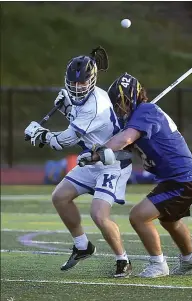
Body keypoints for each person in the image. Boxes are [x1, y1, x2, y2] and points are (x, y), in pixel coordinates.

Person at [77, 73, 192, 278]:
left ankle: (158, 264)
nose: (120, 107)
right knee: (170, 221)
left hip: (180, 179)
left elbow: (125, 139)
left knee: (138, 217)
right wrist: (97, 155)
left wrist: (96, 153)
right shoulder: (140, 116)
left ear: (133, 97)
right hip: (180, 178)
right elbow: (122, 150)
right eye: (117, 104)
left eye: (123, 102)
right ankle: (190, 257)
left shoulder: (146, 111)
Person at [24, 53, 132, 278]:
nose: (77, 87)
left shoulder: (96, 105)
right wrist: (66, 110)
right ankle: (82, 246)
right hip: (90, 158)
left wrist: (40, 135)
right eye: (73, 82)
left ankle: (123, 259)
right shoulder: (81, 100)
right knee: (59, 197)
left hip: (111, 162)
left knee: (99, 215)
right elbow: (78, 122)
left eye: (82, 82)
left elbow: (64, 141)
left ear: (92, 81)